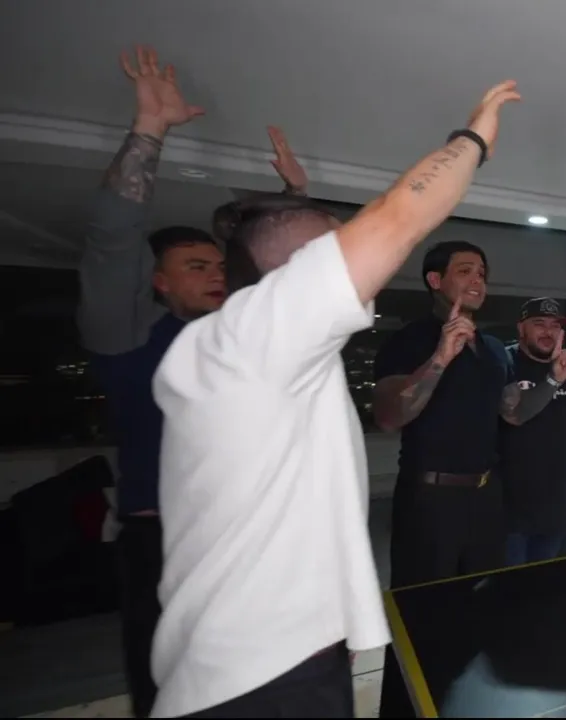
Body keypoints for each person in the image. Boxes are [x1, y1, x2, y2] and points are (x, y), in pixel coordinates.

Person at [148, 79, 524, 718]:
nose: (353, 256)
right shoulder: (245, 342)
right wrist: (473, 141)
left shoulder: (261, 349)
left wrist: (295, 199)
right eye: (333, 245)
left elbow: (273, 266)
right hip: (252, 670)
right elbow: (396, 220)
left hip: (291, 648)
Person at [75, 45, 306, 719]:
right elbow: (112, 238)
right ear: (158, 281)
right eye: (196, 266)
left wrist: (293, 202)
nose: (215, 274)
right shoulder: (127, 338)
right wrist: (150, 128)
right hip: (166, 543)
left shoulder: (235, 336)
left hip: (248, 535)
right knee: (175, 696)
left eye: (219, 265)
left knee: (263, 684)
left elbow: (287, 281)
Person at [372, 250, 566, 587]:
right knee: (424, 603)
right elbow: (387, 417)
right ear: (435, 280)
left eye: (482, 273)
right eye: (465, 271)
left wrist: (553, 380)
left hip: (486, 497)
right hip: (430, 497)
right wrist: (441, 358)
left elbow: (514, 413)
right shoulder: (410, 340)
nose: (477, 280)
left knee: (484, 597)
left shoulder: (493, 349)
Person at [499, 297, 566, 566]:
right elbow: (513, 415)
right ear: (521, 328)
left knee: (543, 580)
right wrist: (553, 380)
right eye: (539, 324)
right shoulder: (505, 361)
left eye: (555, 326)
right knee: (509, 584)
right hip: (508, 506)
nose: (548, 332)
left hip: (554, 505)